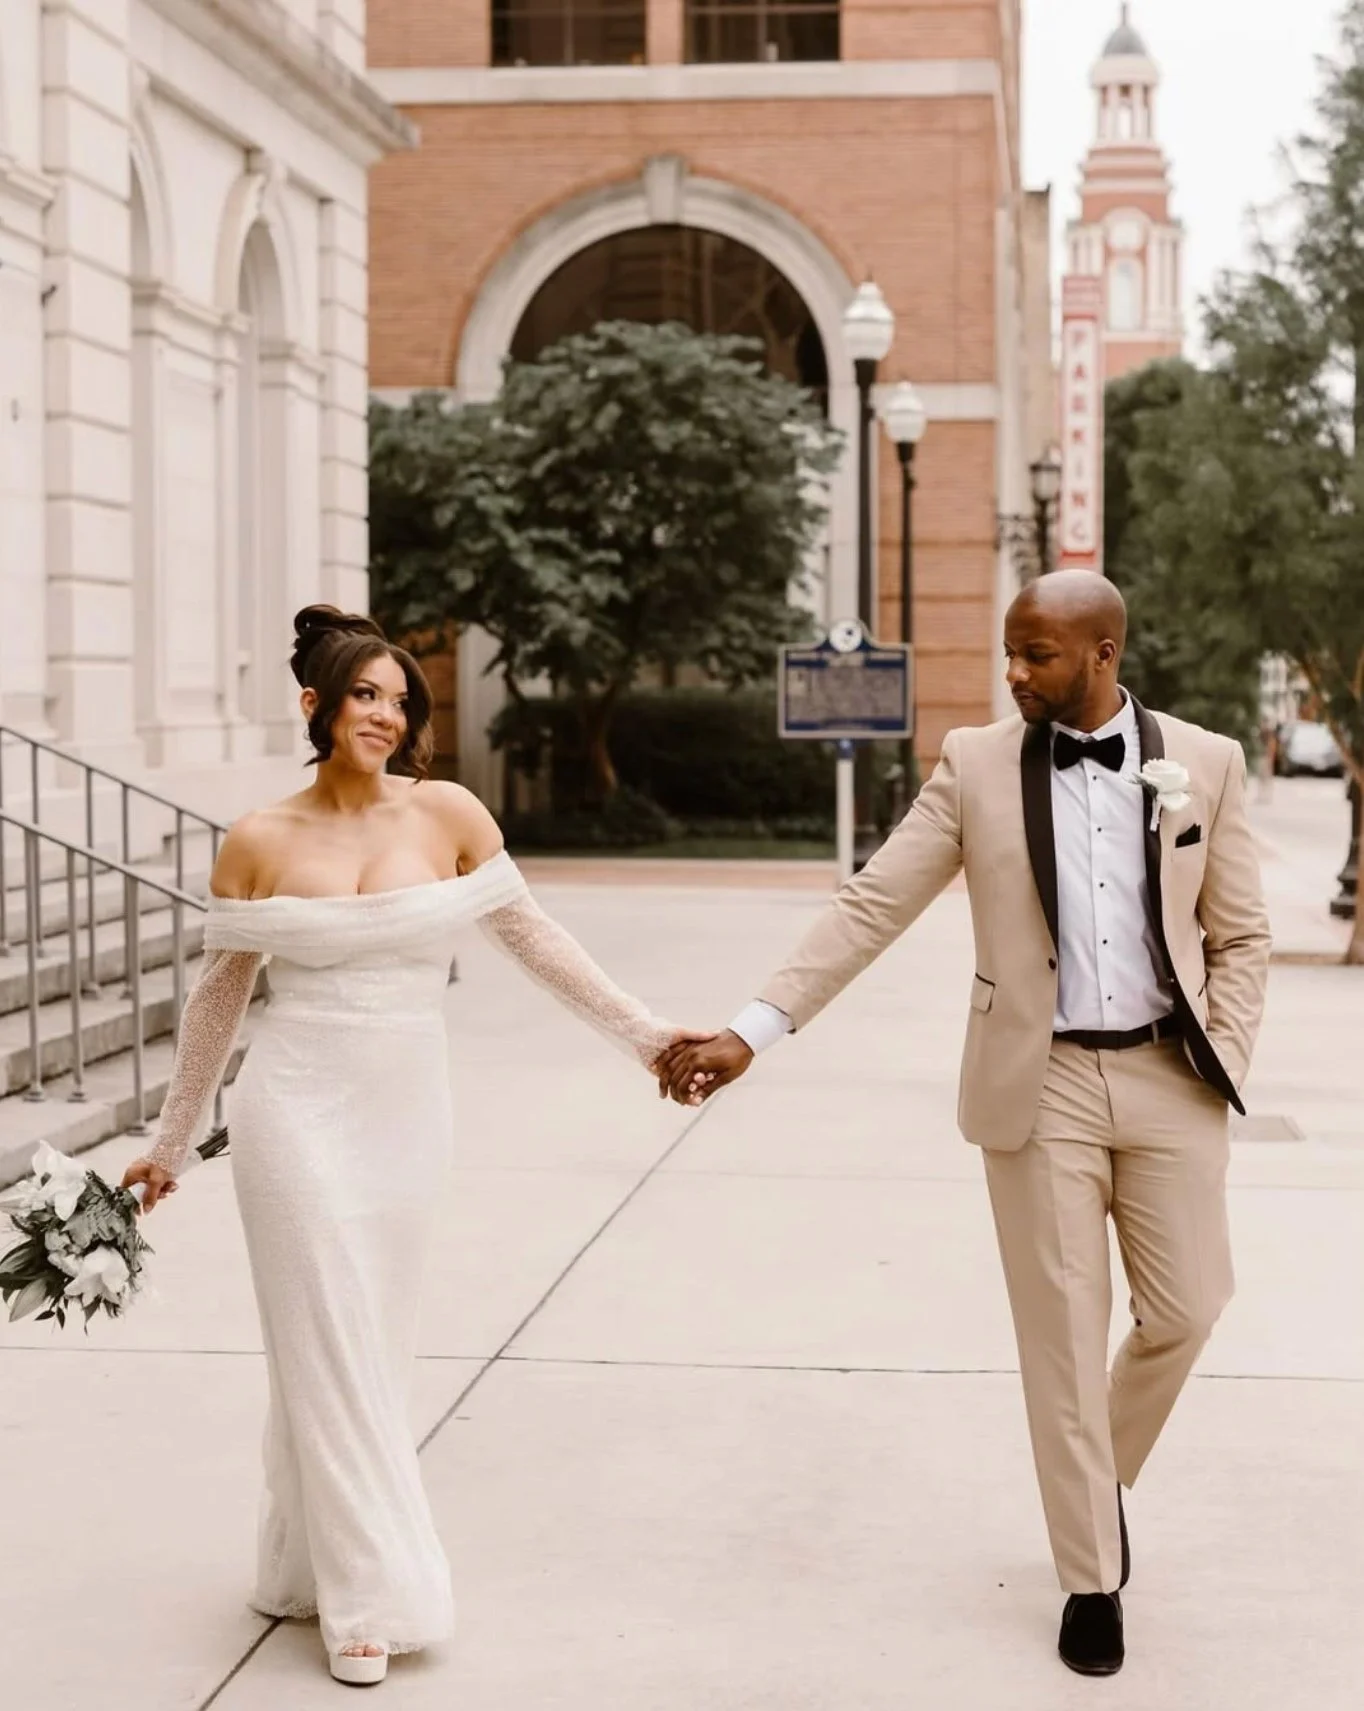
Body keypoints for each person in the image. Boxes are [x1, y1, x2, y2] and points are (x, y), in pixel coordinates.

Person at [658, 570, 1271, 1678]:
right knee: (1060, 1340)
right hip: (1033, 1088)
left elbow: (1239, 936)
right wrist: (756, 1029)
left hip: (1168, 1078)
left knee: (1188, 1310)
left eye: (1034, 653)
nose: (1012, 671)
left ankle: (1099, 1476)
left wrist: (1222, 1052)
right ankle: (1090, 1579)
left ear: (1098, 654)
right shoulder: (976, 765)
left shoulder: (1207, 763)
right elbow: (870, 901)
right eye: (1007, 649)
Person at [123, 606, 706, 1687]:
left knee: (367, 1345)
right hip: (290, 1106)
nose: (387, 714)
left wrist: (642, 1033)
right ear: (315, 705)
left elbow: (532, 935)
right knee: (321, 1336)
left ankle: (301, 1559)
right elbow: (219, 997)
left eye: (400, 698)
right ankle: (366, 1595)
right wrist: (169, 1141)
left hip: (403, 1108)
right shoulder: (257, 839)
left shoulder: (444, 813)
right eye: (365, 695)